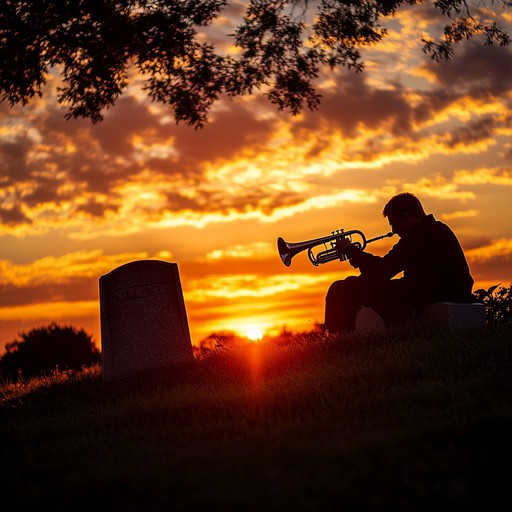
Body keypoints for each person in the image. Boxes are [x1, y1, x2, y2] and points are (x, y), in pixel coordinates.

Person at [324, 192, 474, 332]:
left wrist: (352, 251)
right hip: (438, 289)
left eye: (393, 224)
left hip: (436, 292)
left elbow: (384, 270)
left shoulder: (419, 236)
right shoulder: (435, 229)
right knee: (355, 283)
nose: (394, 230)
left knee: (348, 287)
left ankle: (340, 337)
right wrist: (359, 259)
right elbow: (385, 268)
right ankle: (341, 336)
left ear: (406, 218)